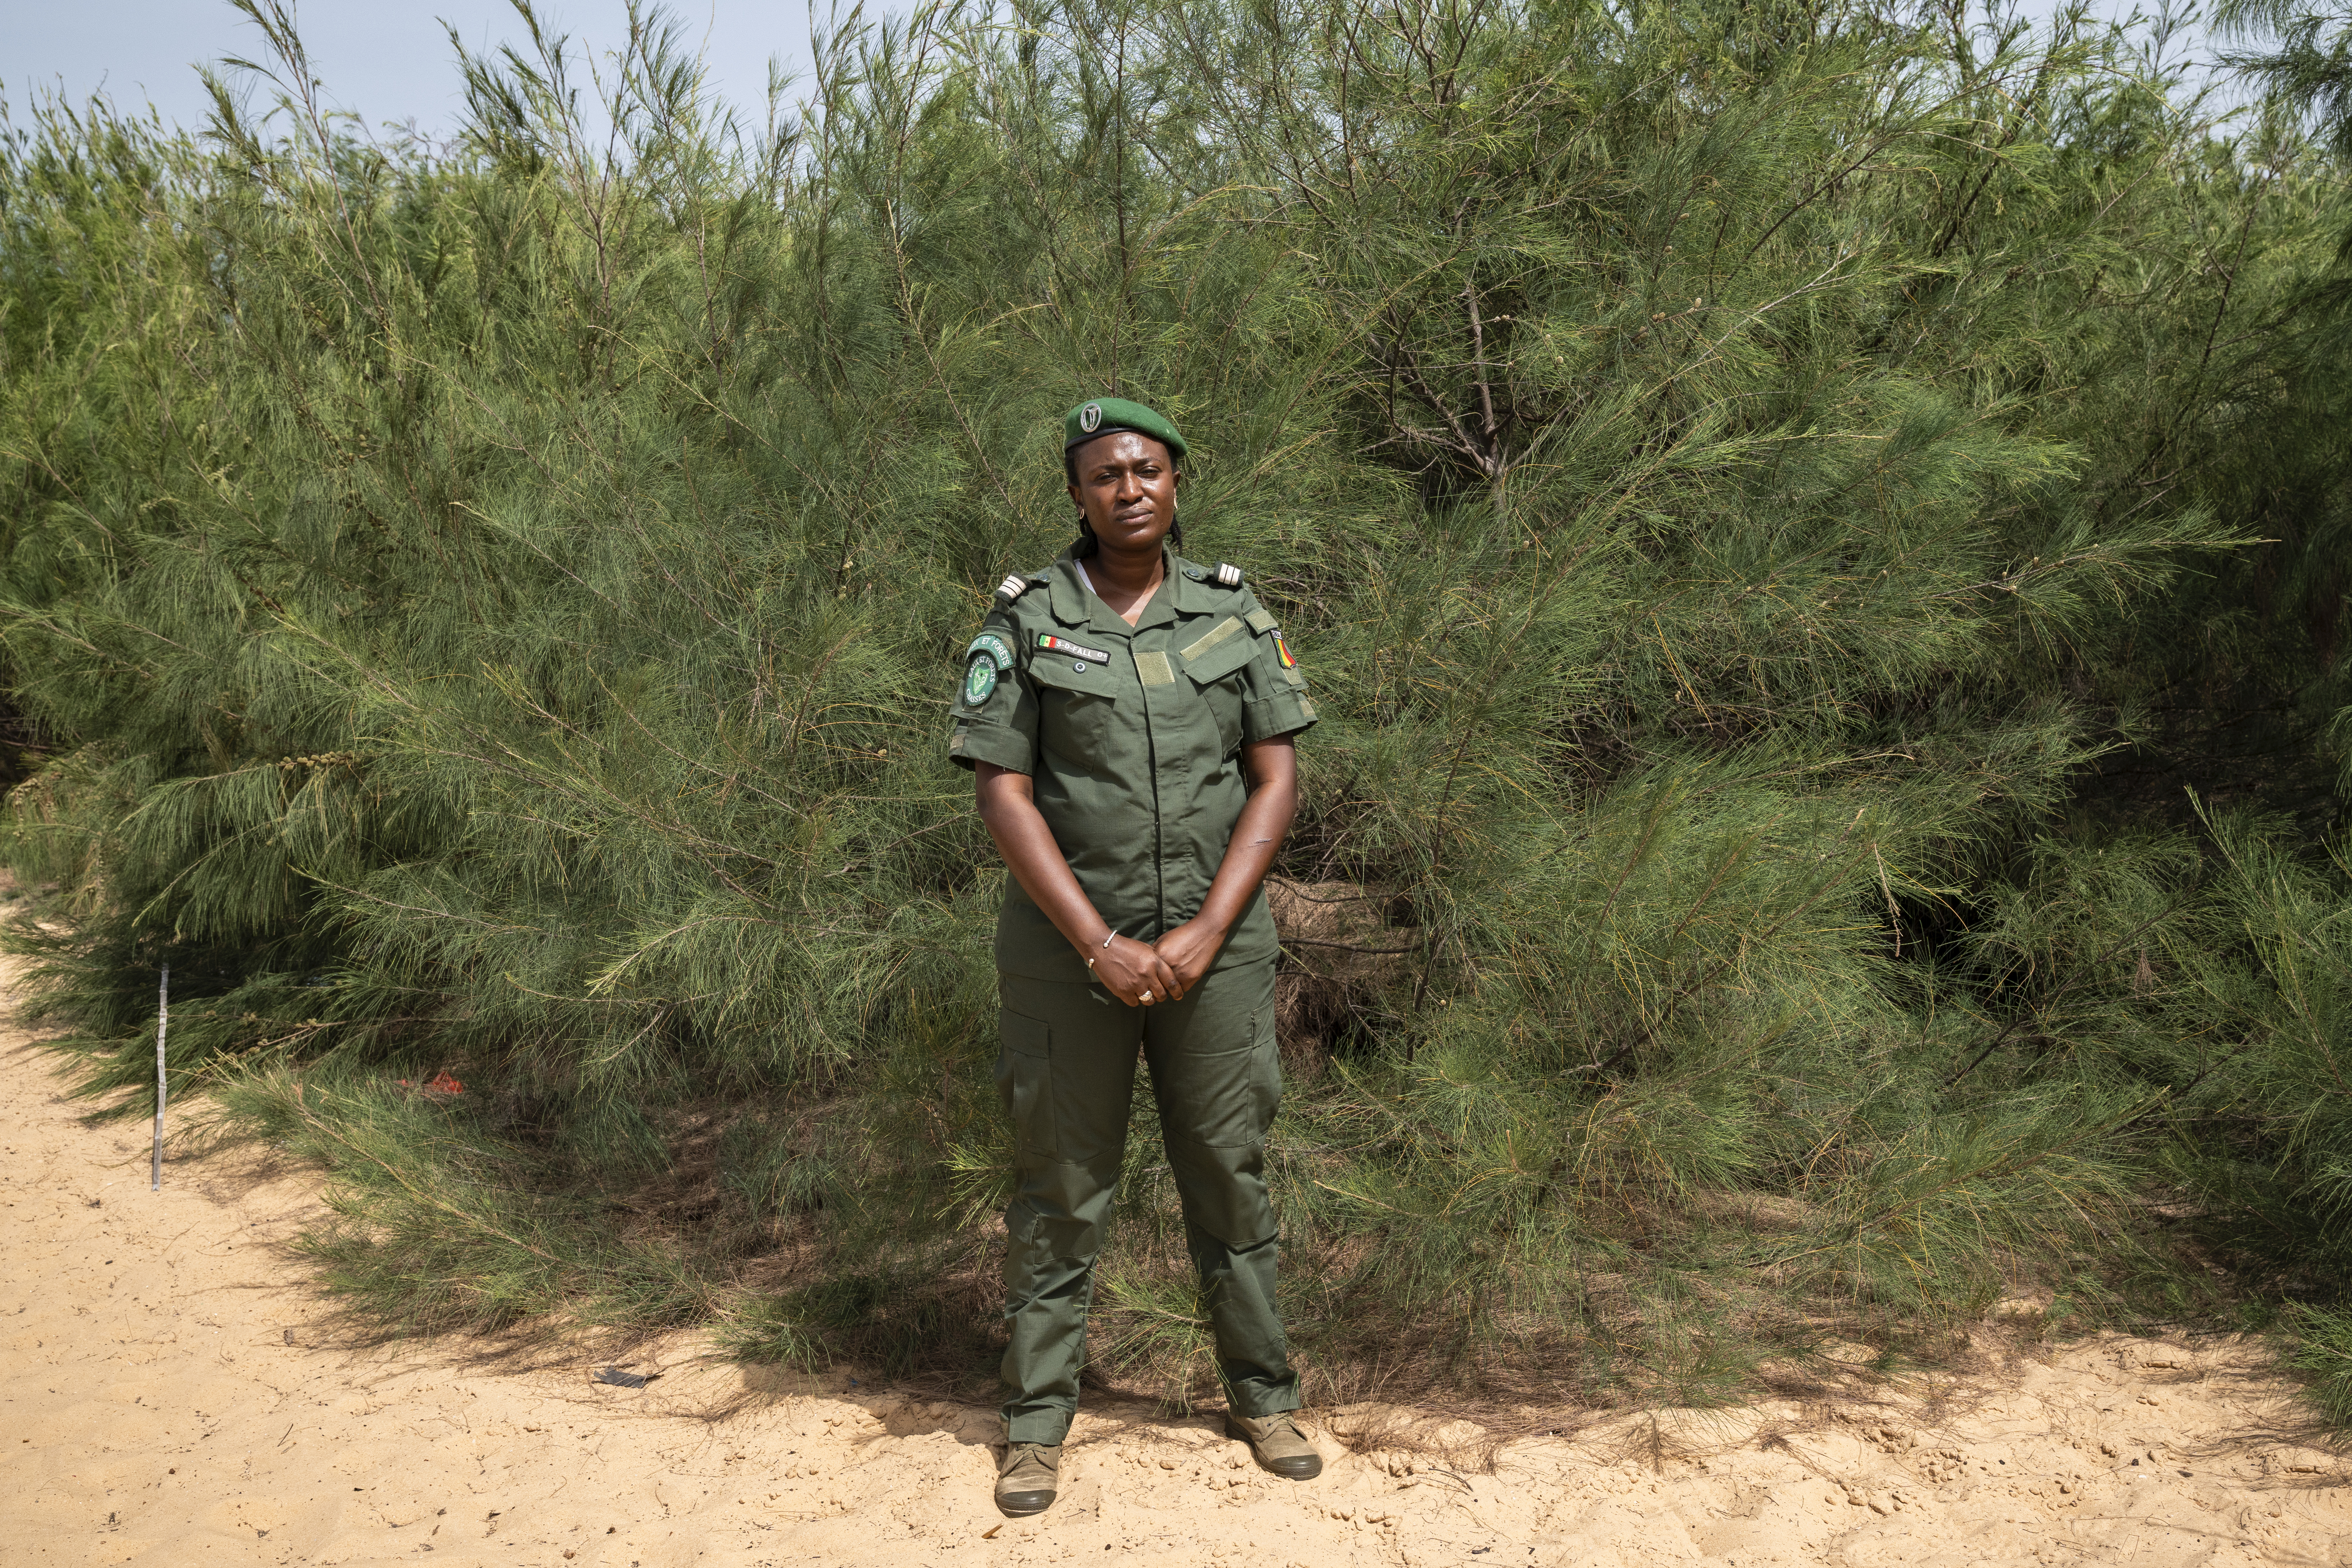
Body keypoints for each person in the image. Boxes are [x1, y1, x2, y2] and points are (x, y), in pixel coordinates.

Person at [947, 397, 1323, 1518]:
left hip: (1220, 954)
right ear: (1075, 493)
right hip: (1071, 963)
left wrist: (1207, 928)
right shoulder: (1026, 624)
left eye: (1147, 469)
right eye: (1105, 474)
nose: (1128, 488)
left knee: (1227, 1172)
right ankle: (1034, 1423)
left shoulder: (1230, 613)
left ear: (1175, 483)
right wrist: (1099, 942)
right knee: (1061, 1189)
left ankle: (1263, 1397)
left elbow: (1277, 777)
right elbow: (1000, 791)